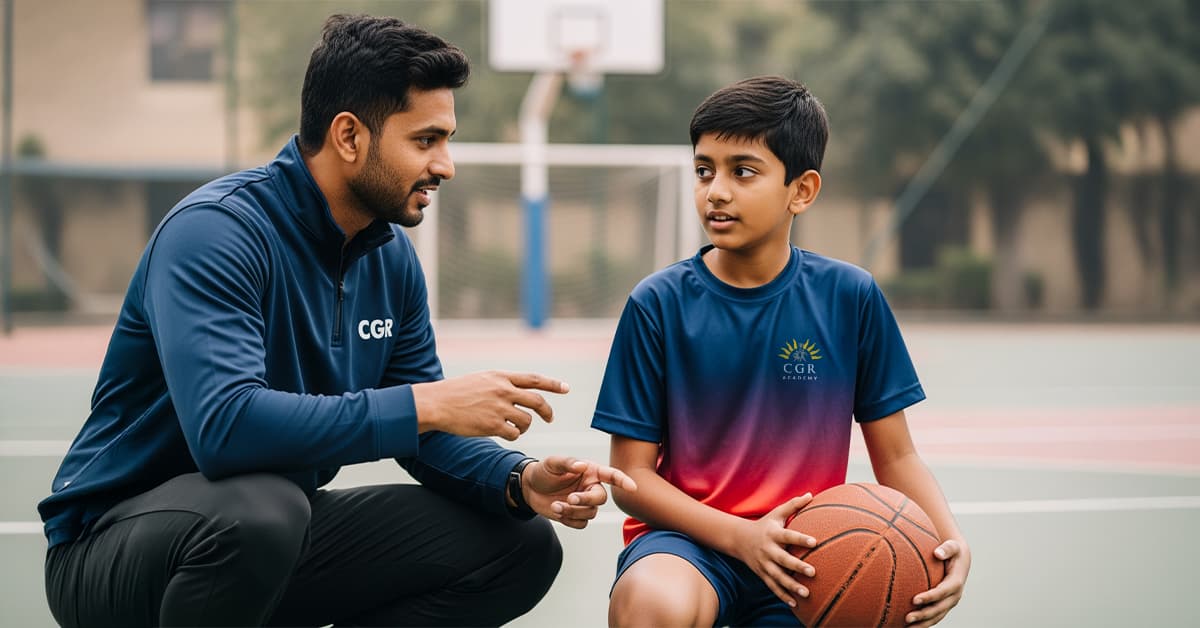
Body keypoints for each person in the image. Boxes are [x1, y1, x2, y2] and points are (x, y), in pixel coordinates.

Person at [39, 14, 634, 628]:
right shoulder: (215, 233)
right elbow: (226, 430)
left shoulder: (388, 256)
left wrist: (520, 480)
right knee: (264, 508)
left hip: (265, 534)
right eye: (426, 140)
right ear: (349, 136)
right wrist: (425, 404)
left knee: (520, 545)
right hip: (112, 552)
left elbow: (425, 436)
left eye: (447, 139)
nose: (446, 165)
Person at [591, 75, 970, 628]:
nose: (716, 190)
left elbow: (897, 457)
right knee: (649, 604)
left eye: (742, 171)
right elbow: (631, 478)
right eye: (704, 170)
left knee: (876, 600)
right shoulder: (658, 303)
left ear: (802, 190)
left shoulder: (850, 296)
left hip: (809, 555)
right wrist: (741, 537)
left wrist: (950, 542)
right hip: (689, 544)